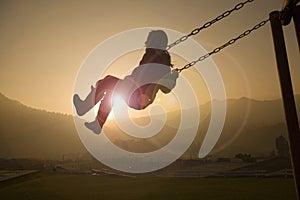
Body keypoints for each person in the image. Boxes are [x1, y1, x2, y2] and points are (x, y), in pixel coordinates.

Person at [73, 30, 179, 134]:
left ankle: (84, 107)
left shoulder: (160, 61)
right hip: (134, 93)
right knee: (110, 90)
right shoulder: (152, 56)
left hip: (138, 97)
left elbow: (166, 88)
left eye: (149, 41)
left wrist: (173, 77)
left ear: (155, 42)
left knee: (109, 81)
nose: (147, 43)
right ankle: (97, 124)